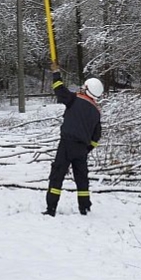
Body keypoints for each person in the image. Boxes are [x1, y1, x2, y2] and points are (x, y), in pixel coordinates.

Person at [43, 62, 103, 217]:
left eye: (84, 87)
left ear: (87, 90)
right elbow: (96, 137)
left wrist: (56, 73)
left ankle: (51, 208)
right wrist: (86, 148)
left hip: (67, 144)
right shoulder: (97, 112)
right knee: (82, 178)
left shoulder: (75, 100)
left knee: (57, 174)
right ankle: (84, 207)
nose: (81, 88)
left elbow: (59, 90)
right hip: (81, 149)